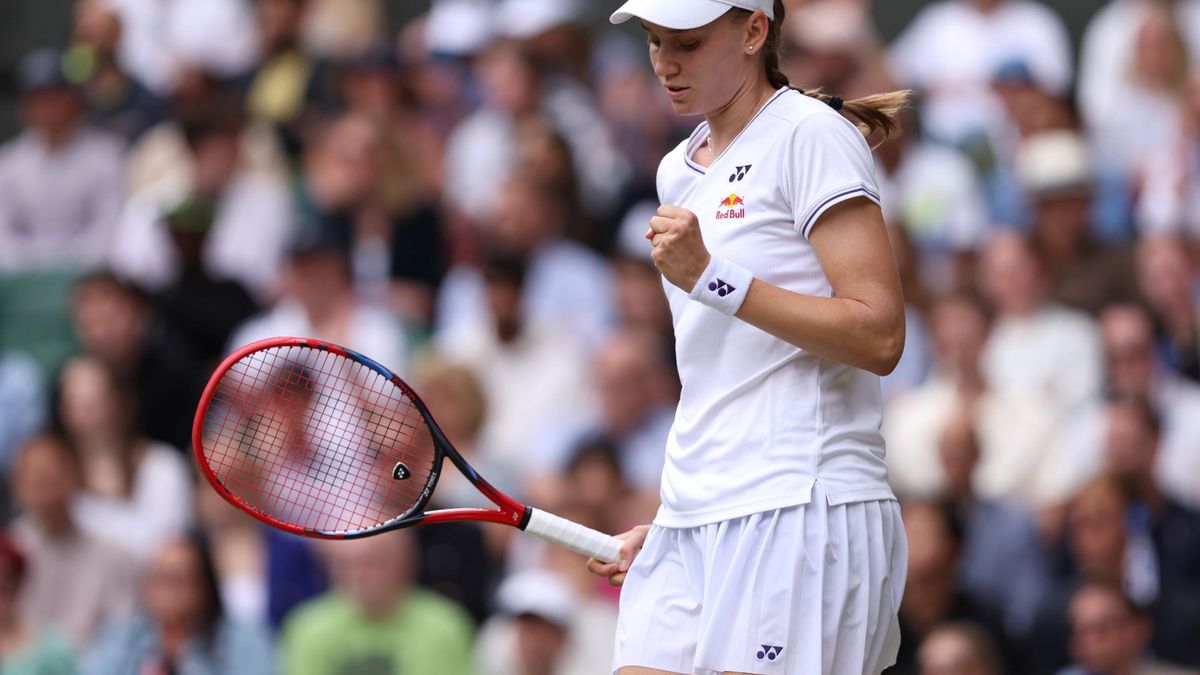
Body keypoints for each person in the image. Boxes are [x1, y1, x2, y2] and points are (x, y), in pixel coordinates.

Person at [588, 1, 909, 673]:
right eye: (653, 42)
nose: (665, 64)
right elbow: (724, 367)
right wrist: (686, 514)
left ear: (754, 32)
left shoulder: (809, 135)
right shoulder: (676, 170)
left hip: (803, 506)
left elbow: (880, 334)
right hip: (697, 510)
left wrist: (714, 277)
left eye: (688, 43)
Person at [83, 534, 275, 675]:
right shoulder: (120, 638)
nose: (166, 591)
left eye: (177, 579)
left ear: (204, 586)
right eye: (158, 578)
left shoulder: (245, 643)